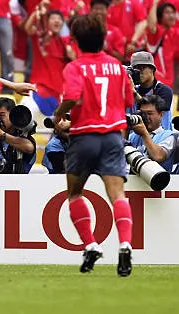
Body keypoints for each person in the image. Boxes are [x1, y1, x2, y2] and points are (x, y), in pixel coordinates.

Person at [53, 14, 134, 277]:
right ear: (103, 38)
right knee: (117, 195)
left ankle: (90, 244)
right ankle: (125, 244)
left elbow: (73, 97)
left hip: (84, 136)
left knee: (75, 193)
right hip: (112, 136)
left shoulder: (74, 67)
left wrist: (58, 114)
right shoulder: (117, 67)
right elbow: (128, 101)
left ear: (75, 40)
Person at [0, 98, 36, 174]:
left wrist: (0, 134)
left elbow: (29, 147)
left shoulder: (22, 137)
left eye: (1, 115)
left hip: (15, 183)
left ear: (13, 116)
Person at [128, 95, 175, 173]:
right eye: (142, 113)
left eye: (149, 113)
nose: (145, 117)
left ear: (161, 114)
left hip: (159, 183)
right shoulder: (133, 136)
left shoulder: (170, 136)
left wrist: (144, 133)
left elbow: (158, 156)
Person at [129, 51, 173, 130]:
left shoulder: (164, 90)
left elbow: (152, 109)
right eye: (135, 69)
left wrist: (134, 93)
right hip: (135, 138)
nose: (139, 72)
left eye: (142, 68)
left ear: (152, 69)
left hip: (161, 139)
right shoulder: (132, 89)